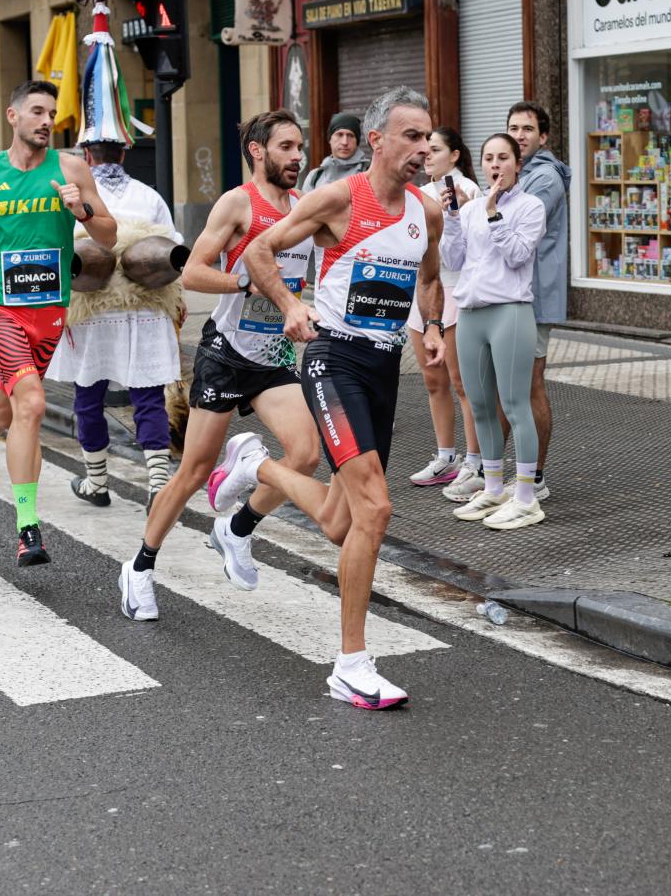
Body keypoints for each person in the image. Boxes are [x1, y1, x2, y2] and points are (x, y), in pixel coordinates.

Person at [207, 88, 445, 710]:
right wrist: (290, 306)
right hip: (331, 358)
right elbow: (260, 249)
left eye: (428, 137)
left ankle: (256, 467)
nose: (423, 148)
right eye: (412, 136)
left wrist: (436, 329)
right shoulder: (339, 198)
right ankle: (351, 663)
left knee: (344, 522)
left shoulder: (428, 211)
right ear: (378, 141)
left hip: (383, 368)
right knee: (376, 511)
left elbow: (429, 276)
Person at [118, 110, 321, 622]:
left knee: (306, 454)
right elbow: (190, 272)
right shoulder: (238, 203)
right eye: (287, 147)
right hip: (226, 355)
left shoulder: (303, 208)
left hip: (273, 356)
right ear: (258, 151)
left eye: (300, 147)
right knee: (192, 472)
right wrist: (245, 284)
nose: (298, 156)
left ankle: (236, 528)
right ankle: (139, 568)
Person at [0, 80, 117, 567]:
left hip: (49, 310)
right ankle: (28, 528)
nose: (47, 120)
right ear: (13, 117)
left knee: (4, 412)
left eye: (51, 112)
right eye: (36, 111)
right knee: (29, 402)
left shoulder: (72, 168)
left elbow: (109, 236)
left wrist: (82, 209)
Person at [48, 140, 184, 507]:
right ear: (123, 153)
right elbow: (174, 246)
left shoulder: (72, 195)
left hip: (90, 307)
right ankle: (158, 484)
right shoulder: (148, 195)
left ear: (86, 156)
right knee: (148, 396)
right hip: (143, 306)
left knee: (88, 397)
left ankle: (97, 482)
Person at [441, 133, 547, 530]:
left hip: (511, 312)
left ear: (518, 164)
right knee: (481, 404)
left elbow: (519, 255)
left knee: (515, 404)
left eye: (504, 157)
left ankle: (525, 497)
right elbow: (453, 259)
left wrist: (492, 213)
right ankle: (494, 487)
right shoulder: (468, 211)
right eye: (489, 158)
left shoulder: (530, 205)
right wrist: (452, 220)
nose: (496, 165)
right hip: (470, 312)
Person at [406, 126, 483, 496]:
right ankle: (445, 457)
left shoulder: (469, 190)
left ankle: (475, 461)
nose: (427, 154)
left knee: (461, 382)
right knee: (432, 378)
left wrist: (460, 212)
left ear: (454, 155)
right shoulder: (417, 194)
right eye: (424, 148)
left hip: (454, 290)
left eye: (435, 149)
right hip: (421, 291)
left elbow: (468, 250)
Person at [506, 100, 570, 500]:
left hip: (534, 296)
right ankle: (497, 470)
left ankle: (537, 477)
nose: (519, 135)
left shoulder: (543, 178)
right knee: (505, 387)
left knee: (530, 385)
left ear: (542, 136)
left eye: (527, 129)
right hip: (513, 293)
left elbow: (512, 224)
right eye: (513, 128)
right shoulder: (519, 173)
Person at [298, 112, 368, 194]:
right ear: (329, 139)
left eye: (350, 135)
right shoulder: (315, 177)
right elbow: (306, 206)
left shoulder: (369, 172)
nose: (344, 142)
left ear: (357, 141)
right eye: (339, 135)